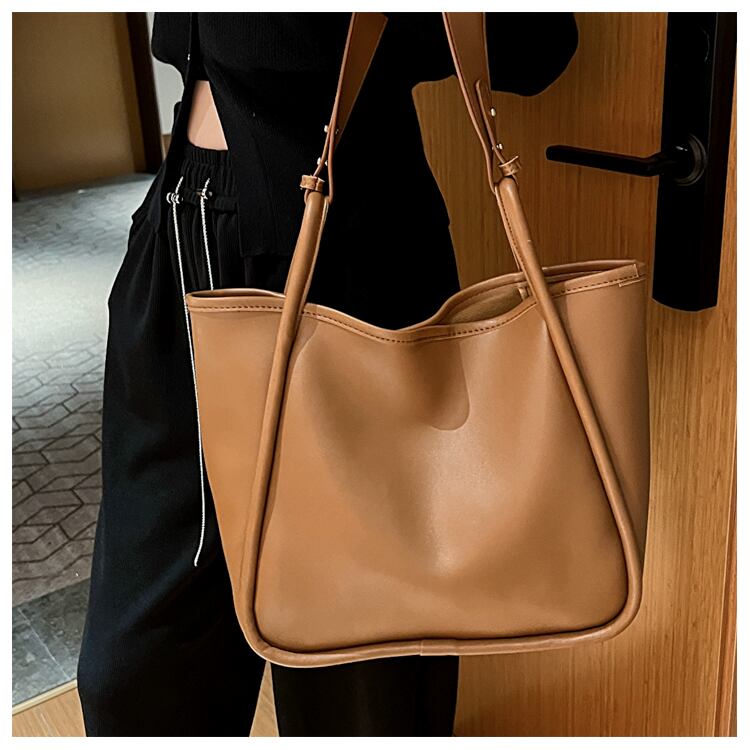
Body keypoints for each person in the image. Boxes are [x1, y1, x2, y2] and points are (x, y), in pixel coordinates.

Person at [76, 12, 578, 737]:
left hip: (355, 264)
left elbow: (537, 44)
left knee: (363, 675)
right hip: (182, 239)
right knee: (138, 676)